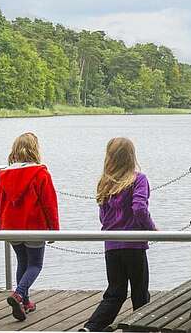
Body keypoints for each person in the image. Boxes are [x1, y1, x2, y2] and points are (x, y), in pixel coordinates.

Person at [80, 138, 157, 332]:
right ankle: (140, 327)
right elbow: (139, 208)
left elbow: (103, 217)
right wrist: (152, 229)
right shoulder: (138, 179)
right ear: (132, 156)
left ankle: (92, 327)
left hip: (112, 246)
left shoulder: (105, 183)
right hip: (134, 245)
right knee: (140, 292)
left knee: (115, 292)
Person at [0, 132, 61, 321]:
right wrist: (53, 229)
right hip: (34, 226)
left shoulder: (4, 174)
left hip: (11, 227)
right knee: (35, 264)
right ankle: (18, 295)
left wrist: (3, 228)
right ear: (35, 150)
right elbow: (49, 204)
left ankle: (25, 303)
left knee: (22, 263)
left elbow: (0, 203)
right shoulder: (40, 173)